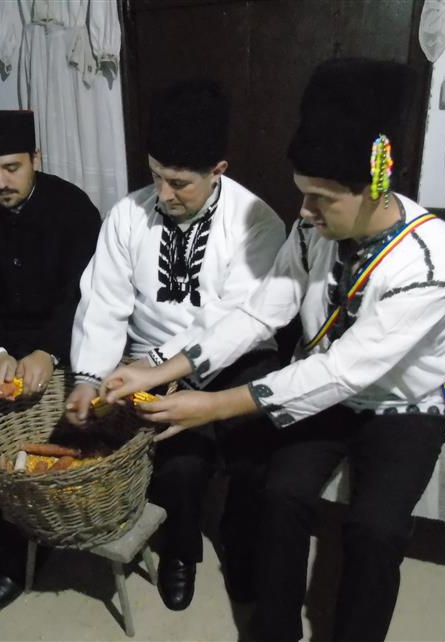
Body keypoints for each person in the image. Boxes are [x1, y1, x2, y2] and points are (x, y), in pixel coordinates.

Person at [102, 58, 445, 641]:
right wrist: (161, 369)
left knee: (376, 530)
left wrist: (213, 405)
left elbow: (345, 370)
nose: (303, 212)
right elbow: (260, 312)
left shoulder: (434, 260)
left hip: (402, 406)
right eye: (303, 195)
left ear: (374, 188)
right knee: (280, 493)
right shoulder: (310, 232)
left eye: (320, 198)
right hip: (324, 394)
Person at [65, 80, 286, 611]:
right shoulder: (127, 215)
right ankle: (181, 551)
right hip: (146, 357)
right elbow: (104, 302)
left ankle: (241, 539)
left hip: (236, 355)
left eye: (180, 183)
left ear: (218, 171)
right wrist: (89, 376)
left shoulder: (258, 223)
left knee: (255, 455)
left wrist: (161, 366)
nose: (163, 194)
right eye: (155, 175)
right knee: (179, 460)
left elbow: (235, 320)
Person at [0, 109, 101, 615]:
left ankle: (20, 545)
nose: (0, 182)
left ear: (35, 158)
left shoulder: (74, 208)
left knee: (51, 418)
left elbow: (85, 293)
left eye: (11, 167)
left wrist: (48, 351)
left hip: (62, 333)